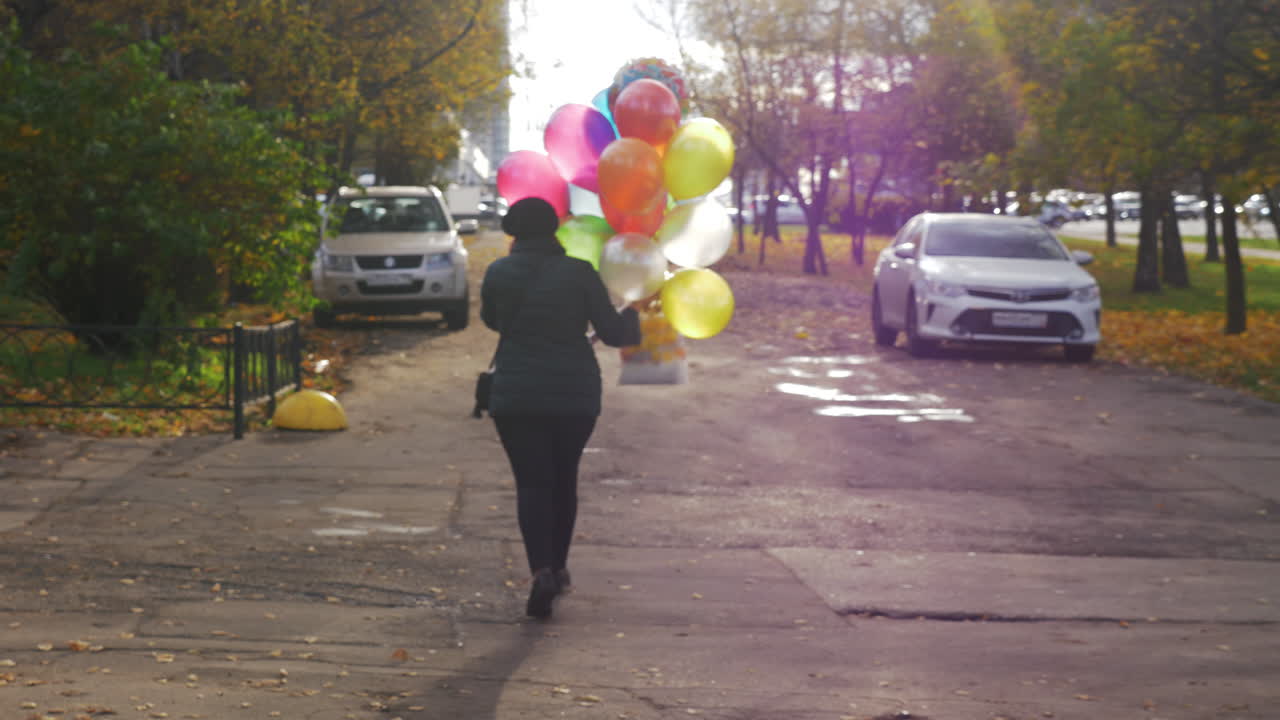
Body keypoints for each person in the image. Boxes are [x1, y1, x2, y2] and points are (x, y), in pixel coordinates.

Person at [480, 196, 641, 619]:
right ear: (555, 229)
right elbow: (612, 332)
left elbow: (493, 321)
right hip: (575, 394)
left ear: (514, 231)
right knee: (563, 478)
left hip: (516, 394)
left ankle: (540, 571)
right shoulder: (580, 273)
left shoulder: (499, 272)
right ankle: (560, 566)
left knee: (532, 483)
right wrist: (635, 313)